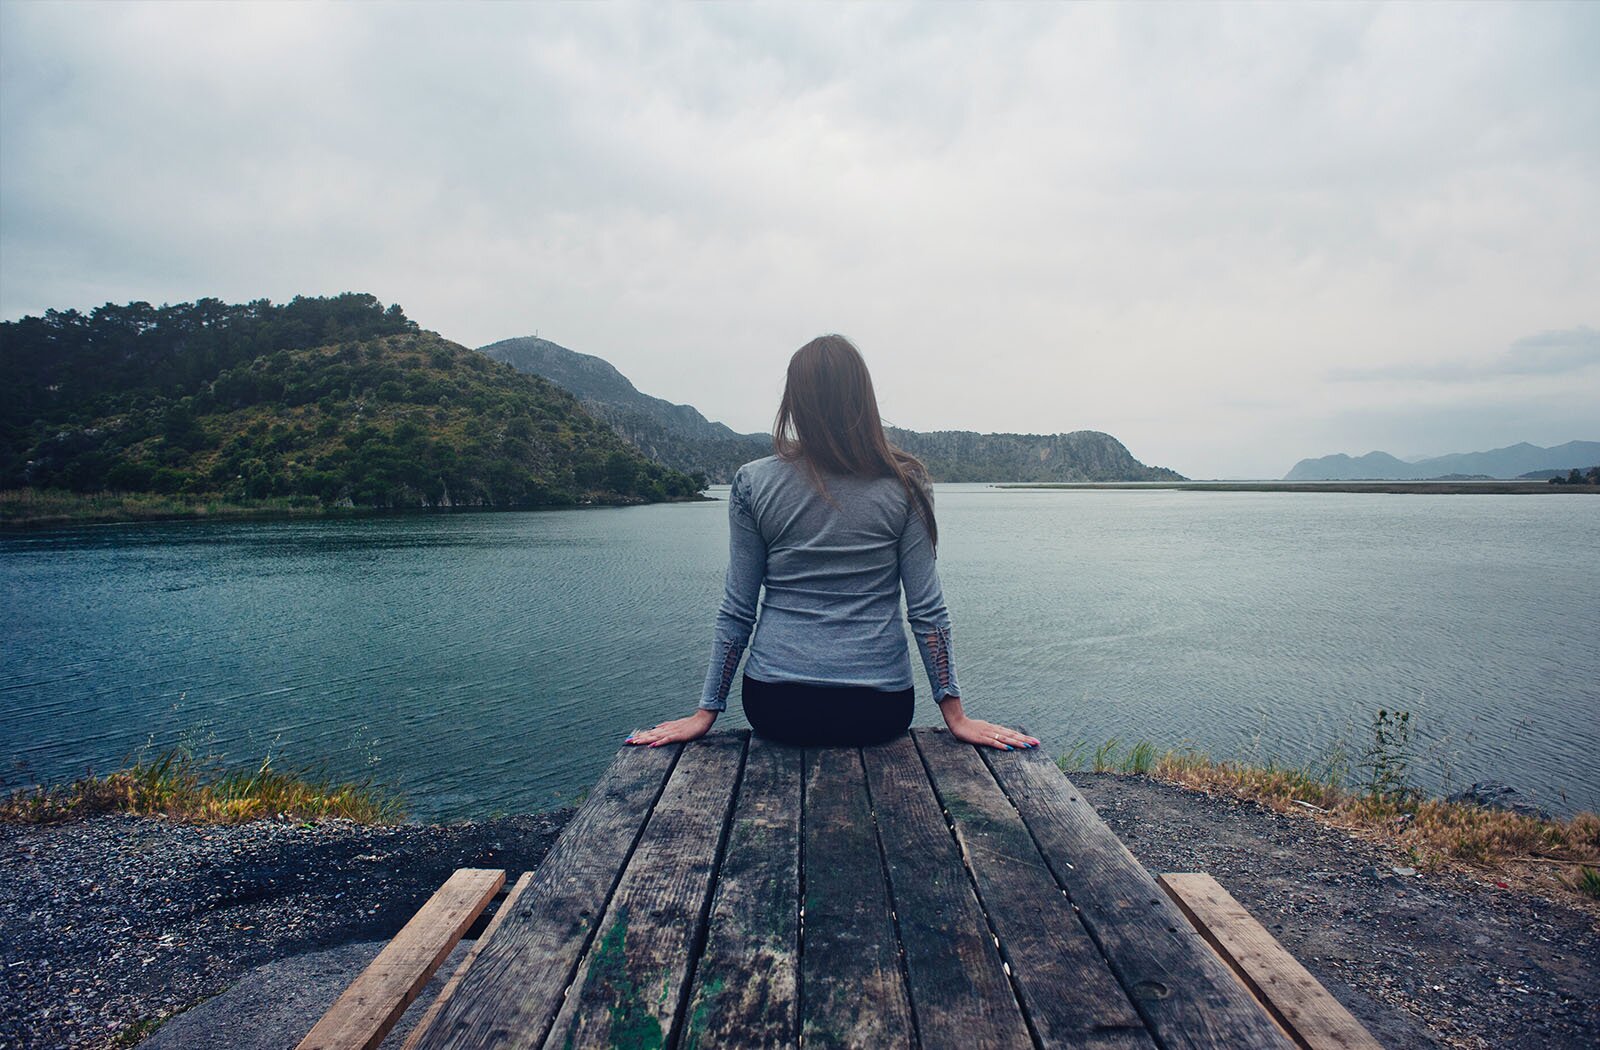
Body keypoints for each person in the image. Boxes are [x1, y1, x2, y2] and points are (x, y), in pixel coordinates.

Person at [626, 335, 1039, 752]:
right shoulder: (907, 484)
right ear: (862, 398)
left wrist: (706, 711)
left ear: (794, 402)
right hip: (879, 710)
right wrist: (956, 715)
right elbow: (927, 610)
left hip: (774, 706)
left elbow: (737, 608)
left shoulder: (753, 482)